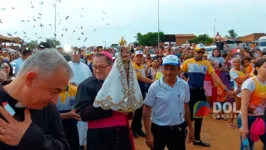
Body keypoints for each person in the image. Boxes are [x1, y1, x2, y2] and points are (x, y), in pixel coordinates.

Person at [0, 48, 72, 150]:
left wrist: (30, 138)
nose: (55, 101)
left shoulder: (48, 109)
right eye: (54, 91)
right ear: (30, 79)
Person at [75, 53, 134, 150]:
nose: (97, 70)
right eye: (94, 66)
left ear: (111, 66)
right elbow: (81, 113)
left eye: (101, 66)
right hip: (99, 136)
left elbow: (129, 107)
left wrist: (129, 110)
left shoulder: (121, 83)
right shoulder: (85, 85)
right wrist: (112, 107)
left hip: (121, 132)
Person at [181, 47, 233, 147]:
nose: (200, 54)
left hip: (200, 91)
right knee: (191, 114)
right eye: (198, 52)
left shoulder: (206, 63)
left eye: (202, 52)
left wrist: (225, 89)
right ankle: (181, 127)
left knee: (199, 115)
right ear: (194, 52)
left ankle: (196, 138)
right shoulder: (188, 62)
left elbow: (215, 76)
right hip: (190, 91)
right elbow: (178, 71)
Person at [143, 55, 194, 150]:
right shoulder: (155, 87)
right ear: (162, 69)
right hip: (158, 130)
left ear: (179, 70)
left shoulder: (184, 85)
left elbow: (186, 107)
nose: (168, 72)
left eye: (172, 69)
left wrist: (190, 128)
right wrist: (148, 133)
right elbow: (147, 109)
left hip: (178, 129)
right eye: (166, 69)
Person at [239, 58, 266, 150]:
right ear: (257, 68)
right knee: (246, 146)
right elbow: (244, 105)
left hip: (260, 118)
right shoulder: (250, 82)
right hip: (248, 118)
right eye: (265, 67)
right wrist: (244, 127)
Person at [131, 51, 153, 138]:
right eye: (137, 56)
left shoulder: (141, 66)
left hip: (142, 90)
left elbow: (144, 75)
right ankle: (133, 129)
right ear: (134, 58)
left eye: (140, 57)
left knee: (140, 110)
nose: (139, 58)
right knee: (137, 110)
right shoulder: (133, 66)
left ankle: (138, 128)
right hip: (136, 91)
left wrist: (147, 66)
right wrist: (153, 82)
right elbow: (140, 78)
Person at [56, 83, 80, 150]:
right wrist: (68, 115)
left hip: (71, 127)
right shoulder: (50, 91)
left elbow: (79, 108)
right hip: (55, 128)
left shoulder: (74, 90)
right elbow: (48, 116)